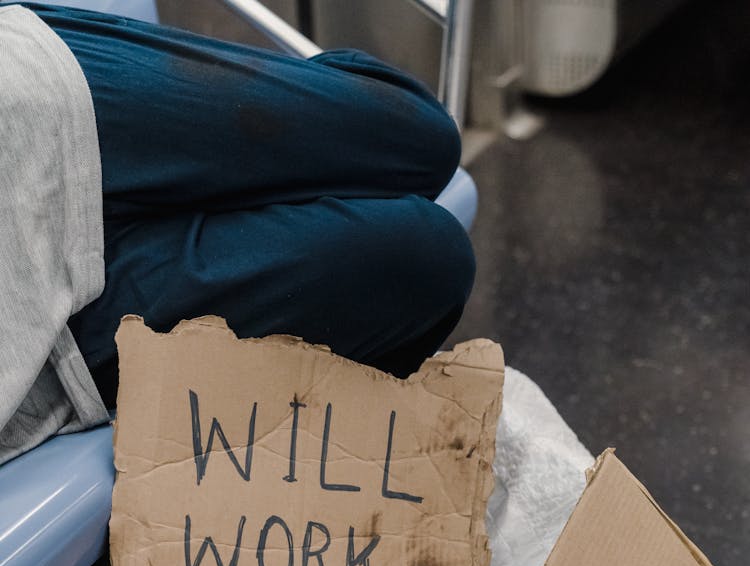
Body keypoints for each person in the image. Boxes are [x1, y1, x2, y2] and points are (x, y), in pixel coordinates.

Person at [0, 1, 475, 464]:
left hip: (30, 106)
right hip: (38, 346)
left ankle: (295, 145)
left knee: (422, 136)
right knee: (430, 261)